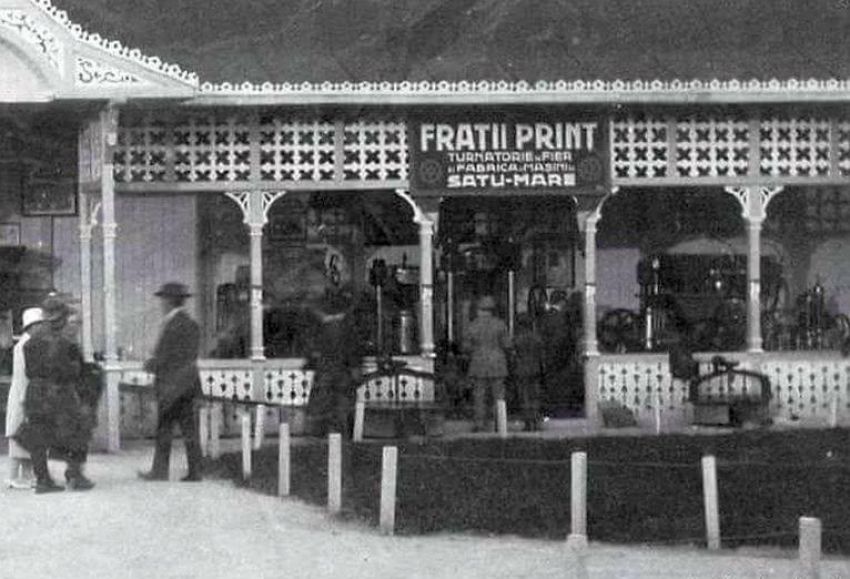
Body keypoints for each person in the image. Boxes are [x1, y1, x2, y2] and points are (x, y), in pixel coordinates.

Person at [21, 296, 94, 493]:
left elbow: (29, 371)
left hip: (35, 393)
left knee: (37, 438)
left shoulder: (30, 342)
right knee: (78, 431)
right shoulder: (66, 342)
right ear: (61, 317)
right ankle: (75, 475)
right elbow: (74, 371)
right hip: (60, 393)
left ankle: (43, 480)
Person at [138, 282, 203, 482]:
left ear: (169, 301)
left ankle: (159, 471)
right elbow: (189, 357)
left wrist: (150, 364)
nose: (161, 304)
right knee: (189, 429)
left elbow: (167, 356)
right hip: (188, 384)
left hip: (171, 385)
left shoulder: (171, 325)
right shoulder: (191, 324)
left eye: (163, 299)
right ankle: (195, 471)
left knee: (164, 429)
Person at [305, 288, 363, 437]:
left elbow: (313, 353)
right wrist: (356, 371)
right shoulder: (347, 328)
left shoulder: (323, 328)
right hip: (342, 377)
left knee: (321, 415)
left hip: (326, 375)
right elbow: (353, 354)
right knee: (342, 416)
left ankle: (321, 438)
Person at [4, 307, 43, 489]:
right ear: (32, 326)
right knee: (18, 435)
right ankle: (12, 476)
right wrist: (25, 400)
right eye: (39, 324)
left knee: (27, 437)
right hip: (23, 396)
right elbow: (22, 376)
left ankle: (27, 475)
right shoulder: (24, 346)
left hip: (27, 395)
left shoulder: (30, 344)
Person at [463, 296, 512, 432]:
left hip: (478, 363)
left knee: (479, 396)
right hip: (497, 363)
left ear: (479, 309)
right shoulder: (500, 324)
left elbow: (466, 347)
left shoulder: (473, 325)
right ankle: (500, 423)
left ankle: (479, 424)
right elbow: (507, 344)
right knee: (499, 395)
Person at [512, 314, 544, 432]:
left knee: (524, 396)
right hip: (535, 369)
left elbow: (514, 354)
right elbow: (541, 355)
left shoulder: (517, 339)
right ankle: (535, 421)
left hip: (521, 370)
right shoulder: (537, 338)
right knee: (535, 396)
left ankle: (527, 422)